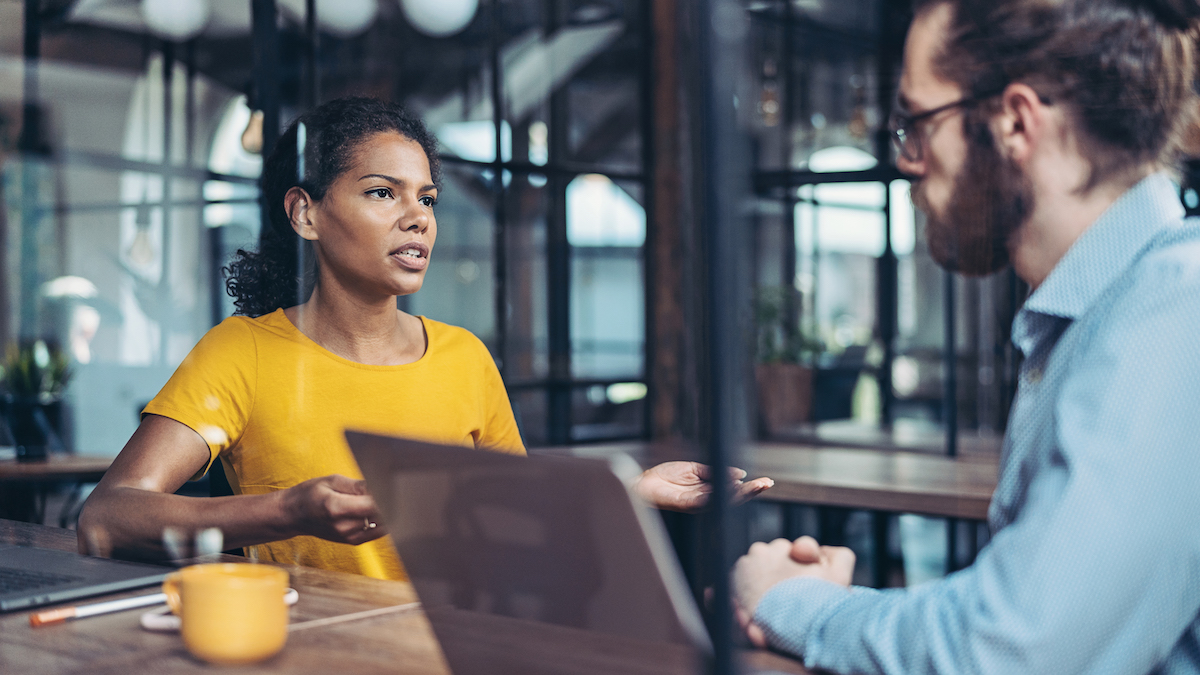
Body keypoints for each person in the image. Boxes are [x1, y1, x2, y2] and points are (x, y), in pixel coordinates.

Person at [78, 97, 772, 579]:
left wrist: (631, 488)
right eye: (384, 192)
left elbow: (517, 508)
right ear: (306, 212)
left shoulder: (464, 356)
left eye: (428, 198)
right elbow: (107, 517)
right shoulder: (241, 352)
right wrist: (287, 510)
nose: (418, 217)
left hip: (460, 649)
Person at [733, 1, 1200, 673]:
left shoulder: (1177, 310)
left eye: (916, 125)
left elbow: (1009, 649)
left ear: (1015, 121)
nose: (907, 161)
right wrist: (836, 603)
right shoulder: (1093, 316)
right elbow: (1017, 611)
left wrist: (796, 603)